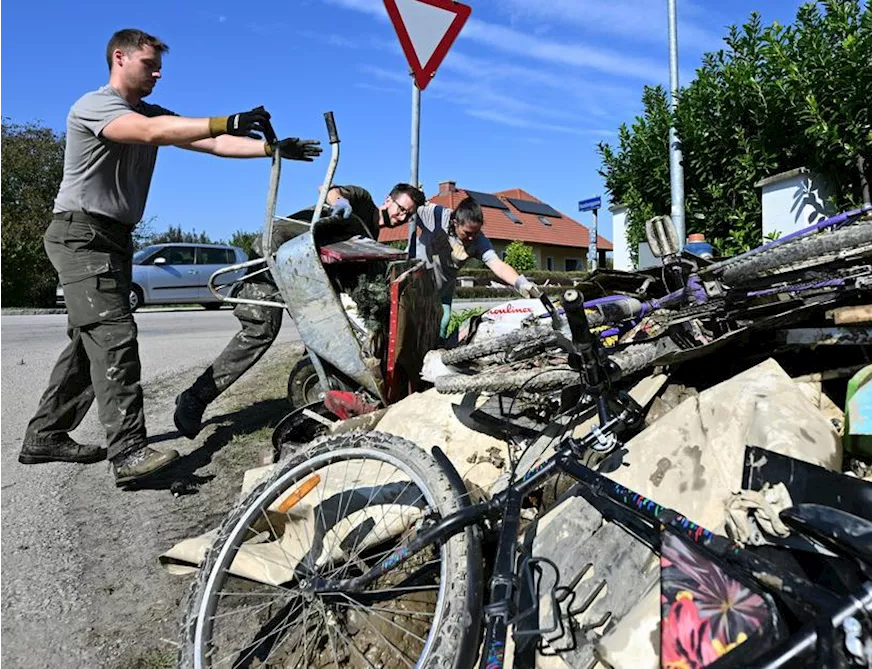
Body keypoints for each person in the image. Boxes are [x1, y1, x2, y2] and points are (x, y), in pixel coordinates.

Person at [19, 28, 321, 486]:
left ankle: (45, 435)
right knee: (114, 335)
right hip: (81, 234)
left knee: (90, 342)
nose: (158, 73)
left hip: (113, 238)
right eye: (149, 64)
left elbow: (212, 143)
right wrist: (226, 118)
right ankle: (129, 452)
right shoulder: (95, 106)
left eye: (160, 66)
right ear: (119, 58)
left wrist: (269, 148)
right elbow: (150, 132)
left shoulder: (154, 113)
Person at [173, 183, 425, 438]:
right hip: (275, 251)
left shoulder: (369, 235)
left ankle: (333, 388)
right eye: (401, 208)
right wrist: (339, 202)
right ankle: (194, 399)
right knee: (259, 333)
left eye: (408, 214)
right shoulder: (363, 202)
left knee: (326, 328)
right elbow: (331, 190)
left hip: (302, 268)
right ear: (388, 200)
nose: (401, 216)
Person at [410, 196, 543, 339]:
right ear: (455, 222)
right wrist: (413, 198)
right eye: (467, 233)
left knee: (442, 324)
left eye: (476, 233)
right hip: (416, 284)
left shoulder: (479, 241)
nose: (472, 238)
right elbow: (404, 210)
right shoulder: (435, 215)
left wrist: (521, 283)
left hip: (443, 291)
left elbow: (498, 265)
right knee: (412, 327)